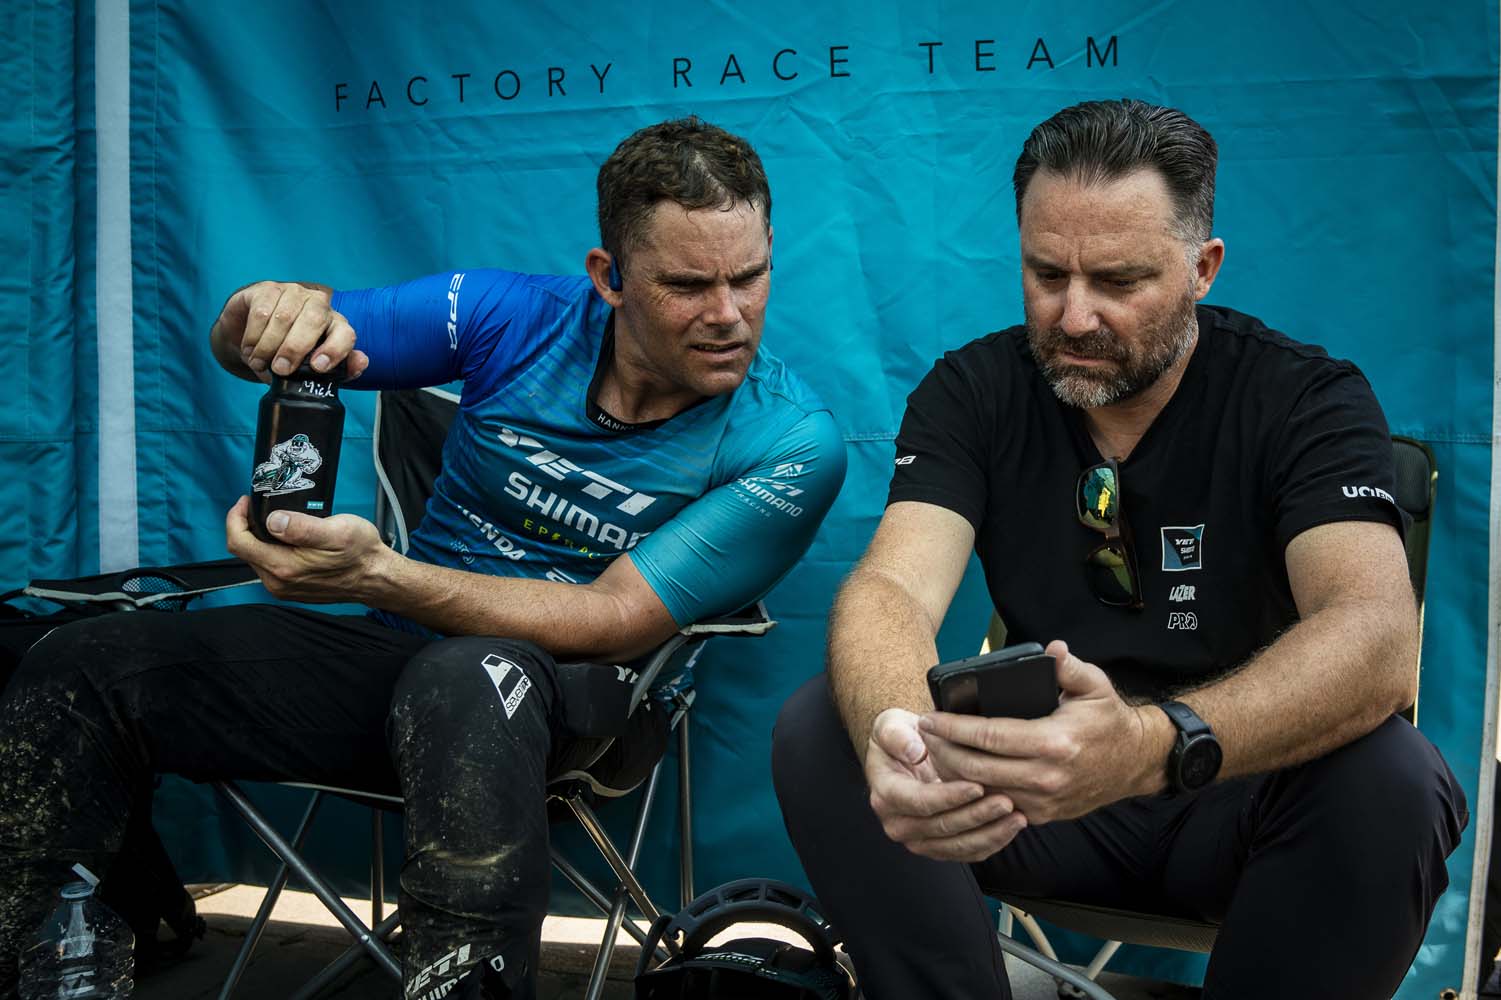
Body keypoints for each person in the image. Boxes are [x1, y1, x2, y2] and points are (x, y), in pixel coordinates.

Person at [0, 116, 846, 1000]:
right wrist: (254, 315)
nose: (727, 315)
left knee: (467, 677)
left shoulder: (789, 440)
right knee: (81, 662)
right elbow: (295, 332)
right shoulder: (509, 316)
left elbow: (614, 618)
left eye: (749, 277)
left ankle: (464, 982)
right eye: (686, 284)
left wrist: (380, 574)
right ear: (610, 279)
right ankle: (62, 961)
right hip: (395, 655)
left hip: (585, 698)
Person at [772, 98, 1467, 999]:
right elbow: (891, 591)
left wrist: (1151, 743)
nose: (1073, 317)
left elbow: (1375, 636)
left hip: (1238, 793)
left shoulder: (1304, 398)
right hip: (1035, 800)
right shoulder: (974, 390)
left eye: (1118, 280)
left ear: (1202, 268)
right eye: (1044, 273)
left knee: (1394, 776)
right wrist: (905, 745)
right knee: (830, 722)